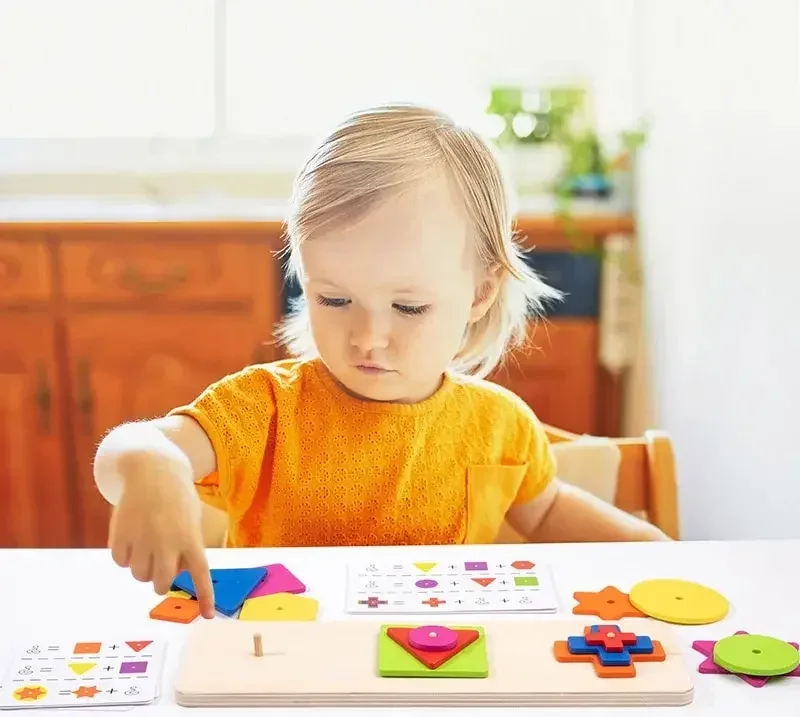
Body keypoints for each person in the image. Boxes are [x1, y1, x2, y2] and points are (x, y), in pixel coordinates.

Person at [93, 104, 670, 618]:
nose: (368, 337)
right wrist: (152, 464)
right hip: (287, 672)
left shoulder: (500, 424)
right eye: (335, 299)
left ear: (479, 293)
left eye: (409, 306)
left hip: (437, 672)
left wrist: (675, 560)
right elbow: (127, 457)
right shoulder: (263, 407)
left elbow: (545, 514)